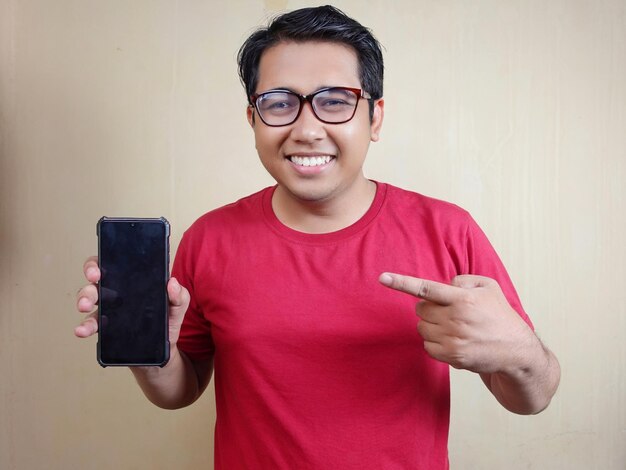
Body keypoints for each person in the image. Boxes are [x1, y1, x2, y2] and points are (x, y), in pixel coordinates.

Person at [75, 5, 560, 469]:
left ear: (376, 118)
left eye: (334, 102)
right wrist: (151, 353)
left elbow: (533, 398)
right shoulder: (209, 238)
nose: (307, 129)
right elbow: (181, 391)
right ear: (253, 121)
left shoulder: (448, 230)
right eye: (279, 104)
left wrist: (517, 350)